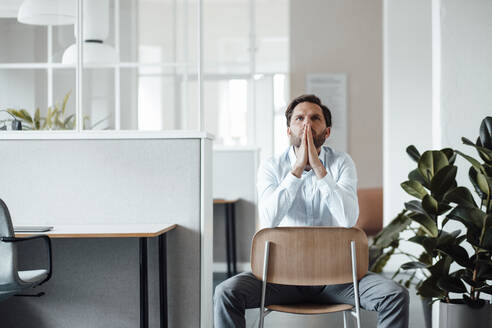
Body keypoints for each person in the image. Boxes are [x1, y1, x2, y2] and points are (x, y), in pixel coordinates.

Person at [214, 94, 409, 328]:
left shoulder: (342, 163)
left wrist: (318, 167)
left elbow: (348, 218)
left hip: (338, 279)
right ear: (288, 130)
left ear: (326, 132)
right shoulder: (271, 166)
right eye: (299, 118)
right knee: (226, 292)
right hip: (281, 280)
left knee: (394, 295)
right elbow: (268, 219)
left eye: (314, 118)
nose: (306, 124)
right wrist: (296, 169)